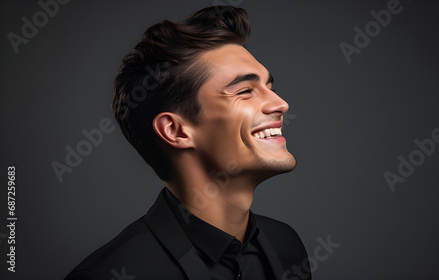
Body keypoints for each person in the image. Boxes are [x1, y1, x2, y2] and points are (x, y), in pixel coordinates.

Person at [65, 5, 311, 280]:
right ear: (176, 131)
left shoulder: (286, 246)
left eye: (270, 87)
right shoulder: (107, 275)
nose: (281, 104)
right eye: (244, 91)